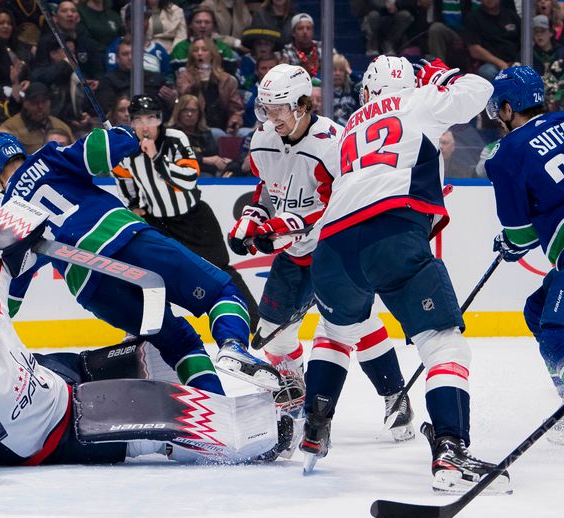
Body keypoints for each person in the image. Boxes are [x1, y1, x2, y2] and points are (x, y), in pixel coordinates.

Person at [300, 55, 510, 492]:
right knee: (443, 342)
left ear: (370, 89)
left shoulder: (351, 126)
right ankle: (451, 450)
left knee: (336, 331)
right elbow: (481, 90)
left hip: (334, 246)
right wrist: (444, 75)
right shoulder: (420, 99)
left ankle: (314, 426)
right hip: (393, 233)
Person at [0, 253, 294, 479]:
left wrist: (14, 242)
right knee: (156, 424)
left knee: (151, 348)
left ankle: (207, 400)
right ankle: (257, 439)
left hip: (56, 375)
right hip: (63, 433)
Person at [0, 128, 281, 395]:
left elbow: (11, 298)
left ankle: (215, 412)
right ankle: (233, 346)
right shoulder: (49, 157)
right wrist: (124, 134)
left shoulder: (10, 217)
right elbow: (105, 148)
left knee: (180, 344)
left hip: (91, 287)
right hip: (124, 240)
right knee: (222, 292)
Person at [228, 64, 414, 435]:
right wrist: (253, 217)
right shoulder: (264, 139)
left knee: (352, 324)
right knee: (271, 331)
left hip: (337, 249)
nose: (270, 117)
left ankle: (396, 397)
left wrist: (285, 225)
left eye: (278, 108)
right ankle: (294, 390)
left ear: (302, 105)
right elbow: (268, 188)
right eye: (265, 108)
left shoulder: (334, 142)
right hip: (295, 253)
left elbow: (339, 202)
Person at [112, 94, 259, 329]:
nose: (146, 125)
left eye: (151, 118)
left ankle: (254, 322)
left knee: (220, 270)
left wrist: (156, 158)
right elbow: (124, 180)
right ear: (132, 122)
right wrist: (133, 206)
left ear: (160, 119)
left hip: (194, 219)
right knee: (151, 277)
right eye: (140, 119)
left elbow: (189, 179)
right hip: (158, 224)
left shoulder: (175, 139)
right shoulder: (126, 151)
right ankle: (155, 330)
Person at [485, 65, 564, 444]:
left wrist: (508, 244)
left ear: (506, 108)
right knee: (537, 309)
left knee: (555, 337)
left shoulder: (506, 153)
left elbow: (519, 236)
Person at [175, 37, 244, 139]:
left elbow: (236, 110)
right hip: (195, 127)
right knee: (216, 134)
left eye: (204, 50)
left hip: (223, 126)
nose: (199, 53)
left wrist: (235, 120)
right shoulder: (185, 77)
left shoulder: (227, 80)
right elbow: (183, 97)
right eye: (195, 50)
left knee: (244, 133)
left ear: (212, 54)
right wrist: (196, 83)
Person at [0, 81, 75, 154]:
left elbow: (75, 153)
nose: (40, 106)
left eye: (44, 102)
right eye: (35, 102)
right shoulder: (10, 128)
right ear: (25, 103)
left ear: (50, 102)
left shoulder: (61, 126)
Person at [167, 93, 228, 176]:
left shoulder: (205, 133)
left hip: (206, 173)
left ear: (199, 114)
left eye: (193, 110)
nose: (189, 114)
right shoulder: (171, 133)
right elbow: (177, 157)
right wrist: (204, 160)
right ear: (178, 112)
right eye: (185, 110)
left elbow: (213, 158)